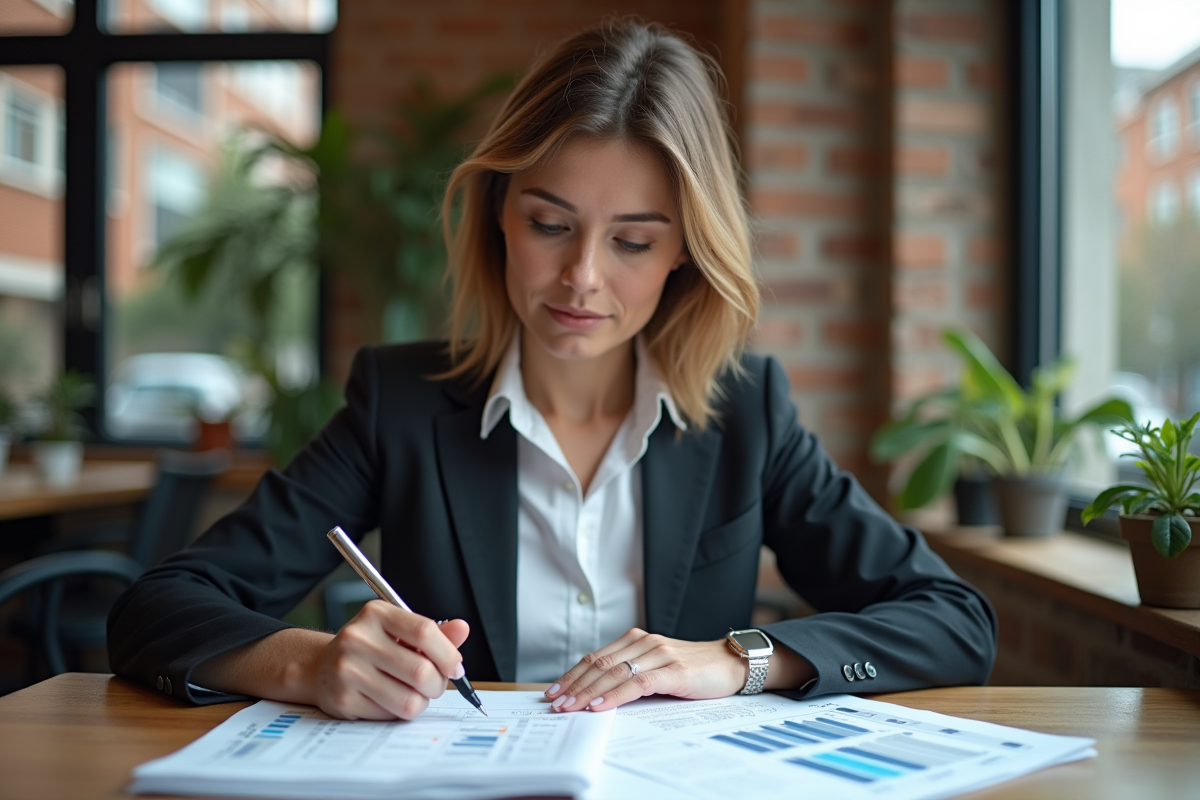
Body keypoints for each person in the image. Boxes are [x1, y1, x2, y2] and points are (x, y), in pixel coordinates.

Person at [107, 19, 996, 721]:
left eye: (634, 241)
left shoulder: (747, 414)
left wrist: (736, 660)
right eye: (549, 223)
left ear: (687, 251)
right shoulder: (401, 405)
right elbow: (157, 609)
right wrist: (308, 662)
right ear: (498, 216)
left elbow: (954, 621)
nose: (582, 278)